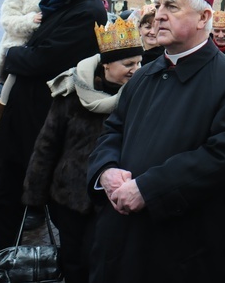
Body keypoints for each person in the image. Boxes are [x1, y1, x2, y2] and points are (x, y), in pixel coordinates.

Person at [87, 0, 225, 282]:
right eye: (158, 4)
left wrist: (147, 189)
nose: (159, 15)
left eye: (172, 7)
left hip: (180, 247)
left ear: (203, 17)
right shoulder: (144, 75)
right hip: (121, 238)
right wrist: (105, 171)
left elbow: (222, 158)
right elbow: (113, 130)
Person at [0, 0, 107, 282]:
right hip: (27, 121)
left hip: (49, 129)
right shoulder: (59, 1)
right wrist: (23, 56)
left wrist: (12, 55)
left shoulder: (87, 9)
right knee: (6, 203)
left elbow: (43, 60)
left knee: (61, 213)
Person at [23, 18, 143, 283]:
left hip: (113, 198)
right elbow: (47, 144)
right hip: (69, 196)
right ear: (106, 64)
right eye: (128, 64)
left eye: (139, 63)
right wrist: (34, 196)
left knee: (104, 262)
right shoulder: (71, 93)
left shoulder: (140, 97)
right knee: (75, 262)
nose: (136, 70)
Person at [0, 0, 54, 117]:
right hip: (14, 48)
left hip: (36, 51)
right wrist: (31, 20)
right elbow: (8, 21)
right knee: (8, 92)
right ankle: (2, 117)